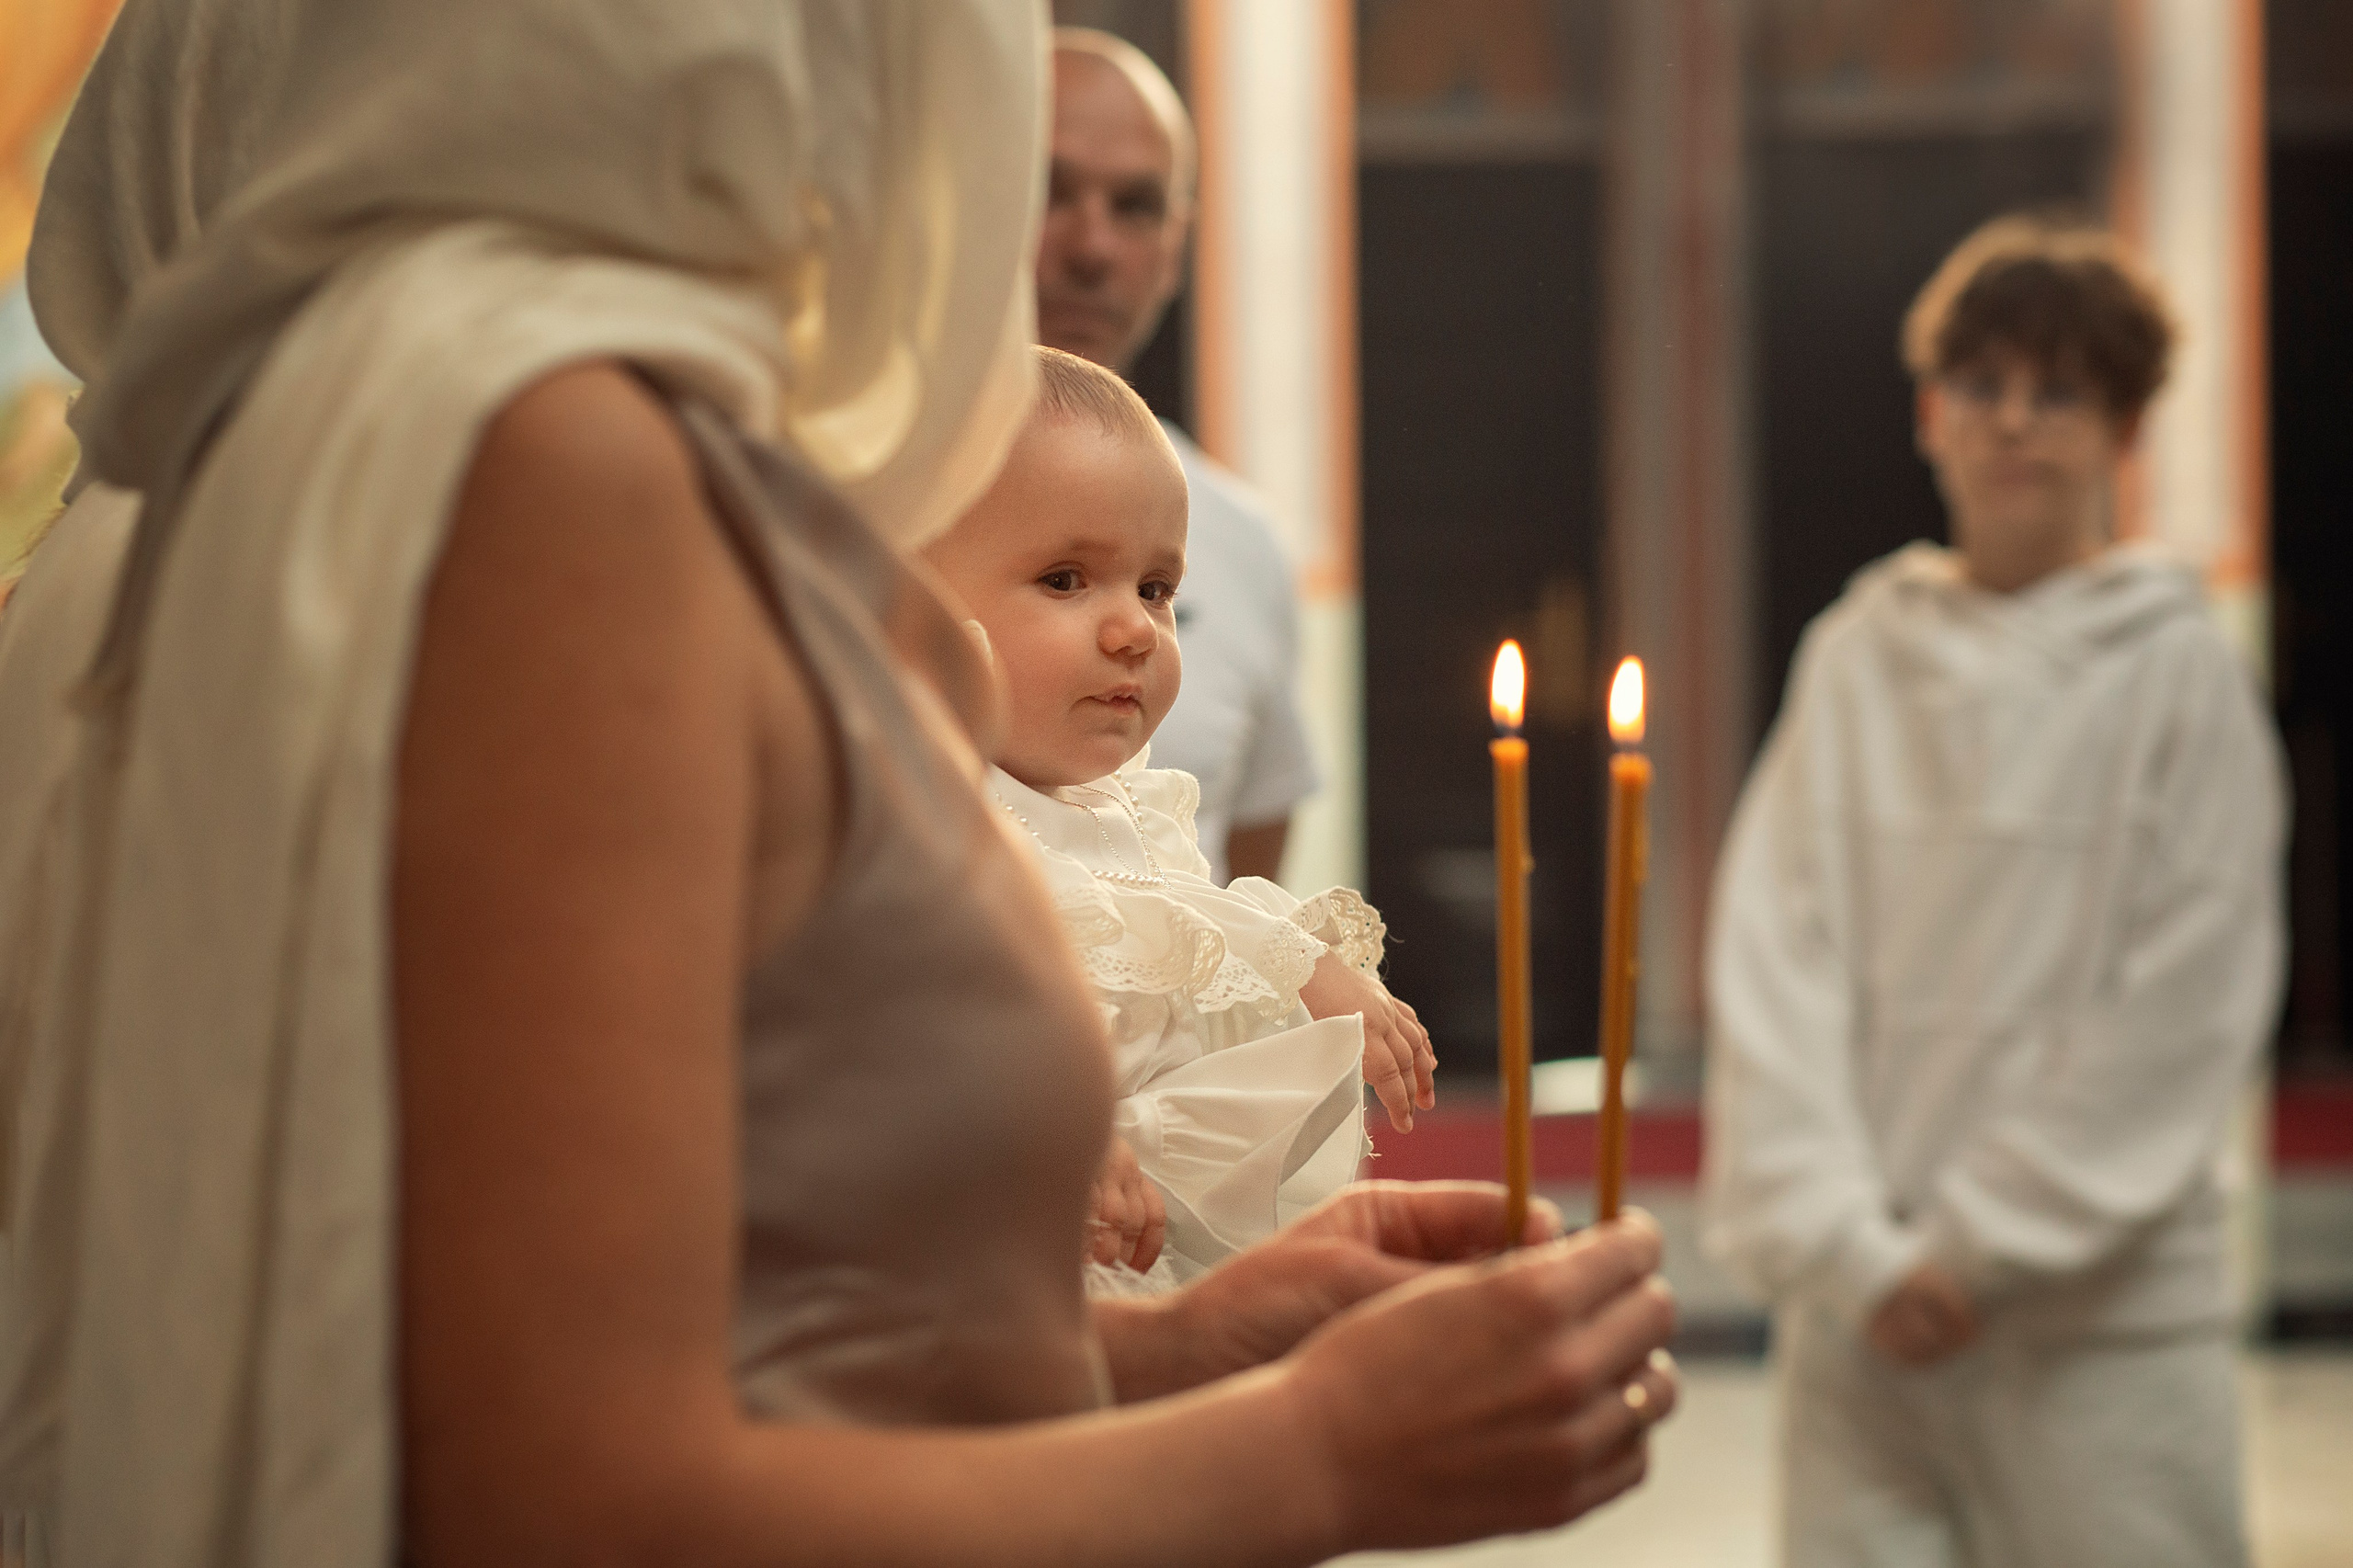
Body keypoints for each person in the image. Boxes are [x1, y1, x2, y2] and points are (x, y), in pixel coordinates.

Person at [0, 2, 1679, 1562]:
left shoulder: (278, 476)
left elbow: (699, 1306)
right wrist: (1315, 1450)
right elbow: (554, 1488)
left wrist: (1176, 1347)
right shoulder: (555, 466)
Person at [1700, 213, 2287, 1568]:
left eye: (2059, 392)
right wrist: (1851, 1245)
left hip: (2108, 1330)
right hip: (1861, 1319)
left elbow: (2188, 999)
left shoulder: (2182, 673)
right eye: (1981, 384)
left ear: (2125, 429)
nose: (2013, 419)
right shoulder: (1856, 653)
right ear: (1929, 414)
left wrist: (1976, 1245)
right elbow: (1776, 953)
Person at [926, 347, 1436, 1290]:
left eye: (1156, 590)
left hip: (1145, 1249)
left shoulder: (1133, 809)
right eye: (1065, 580)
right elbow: (921, 1023)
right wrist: (1050, 1126)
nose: (1133, 630)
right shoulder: (924, 818)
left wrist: (1309, 978)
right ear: (915, 612)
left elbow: (1181, 941)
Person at [1037, 28, 1316, 886]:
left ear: (1174, 247)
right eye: (1047, 190)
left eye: (1135, 206)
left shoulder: (1240, 542)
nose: (1092, 247)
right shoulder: (867, 500)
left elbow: (1248, 883)